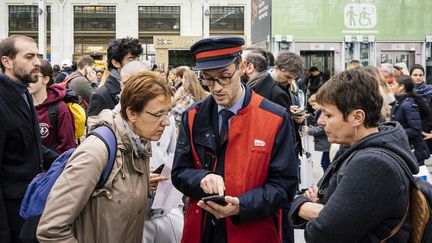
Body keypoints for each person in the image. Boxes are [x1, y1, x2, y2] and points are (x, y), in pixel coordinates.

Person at [172, 36, 298, 243]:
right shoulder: (193, 115)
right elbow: (179, 172)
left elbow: (285, 185)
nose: (216, 87)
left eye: (224, 77)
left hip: (252, 230)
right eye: (208, 79)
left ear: (242, 67)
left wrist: (242, 205)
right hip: (202, 229)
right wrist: (201, 178)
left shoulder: (274, 117)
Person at [37, 71, 173, 242]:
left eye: (168, 112)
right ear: (131, 113)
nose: (167, 121)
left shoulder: (140, 144)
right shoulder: (95, 152)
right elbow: (51, 229)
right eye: (158, 114)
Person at [289, 68, 418, 242]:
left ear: (357, 117)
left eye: (328, 114)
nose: (320, 121)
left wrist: (301, 206)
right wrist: (321, 209)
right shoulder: (355, 147)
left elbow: (323, 234)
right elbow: (323, 201)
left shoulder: (373, 165)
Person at [0, 35, 57, 243]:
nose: (37, 63)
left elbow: (34, 146)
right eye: (29, 57)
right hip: (11, 215)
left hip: (28, 206)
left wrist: (73, 159)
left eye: (38, 56)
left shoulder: (23, 93)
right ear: (7, 62)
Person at [28, 59, 76, 154]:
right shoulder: (24, 105)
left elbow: (67, 147)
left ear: (46, 79)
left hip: (52, 167)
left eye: (34, 75)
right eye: (27, 76)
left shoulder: (60, 108)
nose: (29, 80)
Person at [87, 37, 143, 117]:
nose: (136, 64)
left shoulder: (139, 87)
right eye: (131, 60)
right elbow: (96, 128)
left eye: (138, 60)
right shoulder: (100, 96)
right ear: (116, 63)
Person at [390, 75, 430, 165]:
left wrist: (395, 132)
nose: (391, 87)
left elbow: (415, 130)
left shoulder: (407, 105)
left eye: (393, 84)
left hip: (414, 151)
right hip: (407, 149)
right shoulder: (399, 102)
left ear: (401, 87)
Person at [303, 94, 330, 172]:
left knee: (325, 163)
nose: (312, 107)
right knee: (325, 162)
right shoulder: (319, 111)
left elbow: (321, 129)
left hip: (328, 144)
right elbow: (314, 118)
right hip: (327, 145)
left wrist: (309, 130)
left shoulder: (323, 113)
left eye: (314, 105)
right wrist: (307, 116)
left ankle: (327, 181)